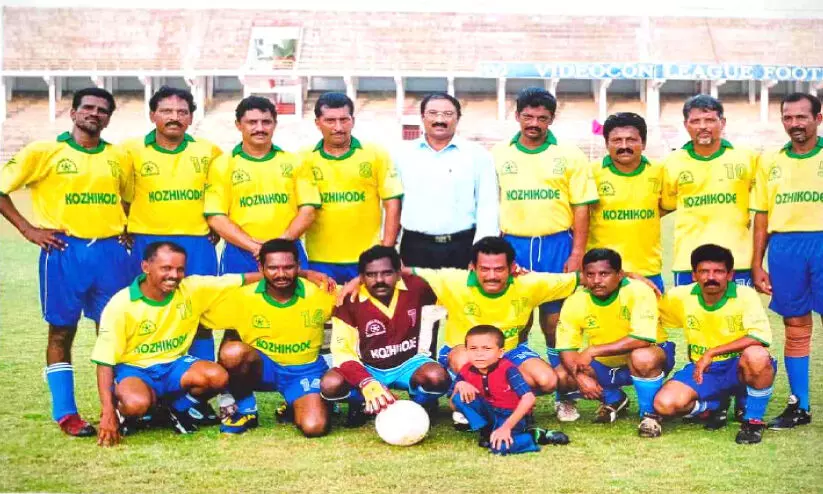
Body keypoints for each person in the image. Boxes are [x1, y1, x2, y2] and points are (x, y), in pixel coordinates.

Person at [0, 87, 131, 437]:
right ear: (73, 113)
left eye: (102, 110)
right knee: (61, 329)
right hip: (64, 250)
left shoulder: (118, 156)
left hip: (110, 253)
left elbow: (128, 198)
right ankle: (66, 412)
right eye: (87, 107)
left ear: (108, 119)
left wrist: (125, 228)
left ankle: (119, 407)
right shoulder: (44, 152)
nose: (94, 113)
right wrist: (28, 229)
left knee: (113, 330)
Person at [492, 87, 598, 421]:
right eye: (528, 116)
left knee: (556, 325)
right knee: (516, 324)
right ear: (517, 116)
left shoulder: (569, 155)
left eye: (542, 117)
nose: (534, 123)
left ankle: (565, 395)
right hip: (514, 246)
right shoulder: (499, 154)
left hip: (556, 245)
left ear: (552, 119)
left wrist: (577, 253)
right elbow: (490, 204)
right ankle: (509, 392)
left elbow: (581, 207)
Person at [92, 241, 261, 447]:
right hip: (135, 370)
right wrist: (107, 412)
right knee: (137, 404)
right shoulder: (121, 304)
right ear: (146, 267)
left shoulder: (192, 288)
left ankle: (176, 409)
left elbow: (240, 280)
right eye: (166, 268)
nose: (174, 275)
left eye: (180, 269)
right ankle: (124, 410)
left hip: (174, 366)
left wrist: (290, 275)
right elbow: (104, 361)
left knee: (217, 376)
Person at [120, 86, 224, 369]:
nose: (174, 117)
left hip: (197, 243)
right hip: (147, 242)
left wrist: (216, 225)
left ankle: (202, 383)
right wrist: (124, 225)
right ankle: (147, 378)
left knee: (200, 314)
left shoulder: (209, 151)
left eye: (182, 112)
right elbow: (119, 194)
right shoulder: (129, 150)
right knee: (148, 313)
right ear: (152, 115)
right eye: (166, 111)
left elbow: (221, 194)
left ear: (191, 118)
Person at [208, 239, 336, 437]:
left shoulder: (320, 292)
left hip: (304, 370)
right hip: (263, 368)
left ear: (298, 266)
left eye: (288, 267)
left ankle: (296, 404)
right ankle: (246, 410)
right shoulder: (242, 296)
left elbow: (359, 296)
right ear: (261, 268)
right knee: (232, 352)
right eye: (273, 268)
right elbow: (198, 309)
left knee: (314, 427)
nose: (281, 274)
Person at [654, 244, 775, 445]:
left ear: (730, 275)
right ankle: (713, 405)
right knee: (664, 404)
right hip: (704, 370)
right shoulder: (680, 296)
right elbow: (652, 314)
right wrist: (632, 278)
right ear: (694, 275)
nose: (711, 277)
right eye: (704, 271)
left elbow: (759, 337)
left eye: (718, 271)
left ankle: (753, 421)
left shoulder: (745, 295)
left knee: (757, 355)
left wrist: (712, 352)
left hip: (739, 366)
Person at [751, 92, 822, 430]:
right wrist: (756, 263)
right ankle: (800, 405)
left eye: (801, 117)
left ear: (818, 119)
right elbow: (762, 215)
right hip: (785, 246)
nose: (794, 124)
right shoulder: (770, 161)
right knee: (795, 326)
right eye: (788, 118)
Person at [320, 246, 451, 426]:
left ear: (398, 273)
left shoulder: (418, 287)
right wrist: (366, 382)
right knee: (331, 383)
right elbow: (343, 353)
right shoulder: (348, 300)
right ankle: (361, 403)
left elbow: (449, 292)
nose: (379, 280)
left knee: (437, 376)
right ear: (361, 277)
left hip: (409, 363)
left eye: (387, 273)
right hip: (368, 366)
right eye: (371, 275)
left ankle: (420, 405)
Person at [554, 249, 674, 437]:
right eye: (590, 275)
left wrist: (593, 350)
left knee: (642, 357)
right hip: (605, 363)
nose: (596, 280)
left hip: (649, 356)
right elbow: (566, 348)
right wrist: (579, 378)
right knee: (561, 376)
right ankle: (614, 398)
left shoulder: (639, 291)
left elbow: (642, 339)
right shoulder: (576, 301)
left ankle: (650, 415)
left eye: (604, 274)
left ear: (619, 274)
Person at [205, 96, 319, 274]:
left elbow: (308, 211)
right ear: (238, 125)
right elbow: (216, 217)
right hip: (240, 253)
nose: (260, 128)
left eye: (266, 122)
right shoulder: (222, 165)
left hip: (288, 250)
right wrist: (255, 247)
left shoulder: (295, 162)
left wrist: (280, 244)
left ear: (275, 124)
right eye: (252, 122)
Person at [300, 92, 403, 284]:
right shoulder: (303, 158)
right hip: (319, 258)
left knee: (367, 304)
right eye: (330, 120)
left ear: (352, 121)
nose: (338, 127)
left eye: (344, 120)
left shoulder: (375, 154)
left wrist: (386, 250)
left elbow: (392, 203)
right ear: (317, 123)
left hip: (367, 258)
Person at [661, 95, 758, 288]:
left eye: (710, 120)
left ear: (722, 122)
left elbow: (763, 205)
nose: (703, 126)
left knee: (737, 309)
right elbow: (664, 205)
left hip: (737, 261)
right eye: (695, 121)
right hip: (688, 262)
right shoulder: (672, 163)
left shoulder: (747, 158)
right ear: (686, 125)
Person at [394, 92, 499, 269]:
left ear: (458, 118)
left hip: (462, 246)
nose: (440, 120)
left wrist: (483, 252)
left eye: (448, 114)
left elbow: (487, 206)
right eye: (433, 113)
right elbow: (393, 204)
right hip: (414, 246)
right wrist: (391, 247)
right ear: (422, 117)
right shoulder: (402, 155)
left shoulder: (477, 155)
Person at [451, 325, 568, 455]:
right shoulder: (466, 370)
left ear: (500, 352)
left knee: (500, 447)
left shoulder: (508, 369)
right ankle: (488, 431)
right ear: (466, 351)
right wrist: (459, 385)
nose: (479, 354)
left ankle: (533, 435)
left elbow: (529, 398)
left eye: (487, 348)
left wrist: (506, 428)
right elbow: (453, 403)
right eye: (473, 348)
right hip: (490, 412)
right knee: (458, 397)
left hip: (509, 415)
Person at [588, 112, 665, 293]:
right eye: (617, 140)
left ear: (643, 143)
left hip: (648, 269)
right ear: (606, 144)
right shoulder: (590, 173)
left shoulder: (660, 171)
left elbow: (666, 206)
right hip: (602, 271)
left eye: (631, 140)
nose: (624, 146)